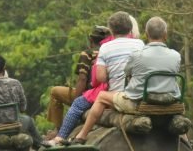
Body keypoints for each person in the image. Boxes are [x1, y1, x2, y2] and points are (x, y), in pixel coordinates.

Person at [73, 15, 179, 143]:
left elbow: (127, 73)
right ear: (165, 35)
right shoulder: (176, 56)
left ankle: (82, 135)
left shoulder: (137, 55)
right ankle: (187, 141)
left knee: (101, 96)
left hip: (140, 101)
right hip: (170, 102)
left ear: (146, 34)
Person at [46, 25, 111, 130]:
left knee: (54, 91)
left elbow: (82, 79)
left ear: (91, 40)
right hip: (108, 93)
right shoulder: (110, 52)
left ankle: (58, 129)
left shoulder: (87, 54)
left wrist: (75, 103)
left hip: (89, 95)